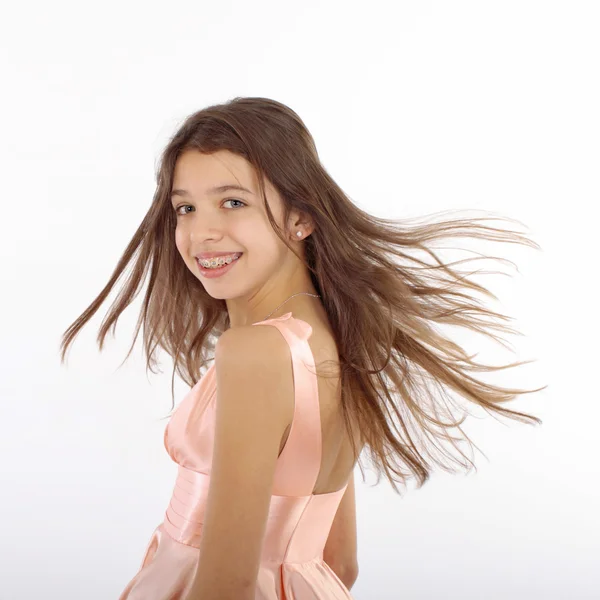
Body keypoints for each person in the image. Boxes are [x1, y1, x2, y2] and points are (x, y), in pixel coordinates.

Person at [60, 97, 546, 599]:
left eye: (233, 202)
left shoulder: (255, 354)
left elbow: (225, 588)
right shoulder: (337, 338)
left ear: (301, 217)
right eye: (185, 207)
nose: (201, 232)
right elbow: (341, 562)